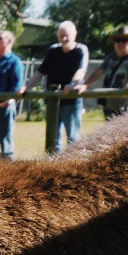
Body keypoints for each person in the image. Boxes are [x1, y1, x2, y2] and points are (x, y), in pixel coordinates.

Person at [38, 20, 89, 154]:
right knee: (54, 140)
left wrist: (72, 84)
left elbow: (81, 70)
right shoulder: (53, 50)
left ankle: (74, 167)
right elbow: (40, 71)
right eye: (61, 36)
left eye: (67, 35)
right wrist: (26, 87)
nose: (64, 39)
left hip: (71, 101)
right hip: (53, 102)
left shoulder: (80, 50)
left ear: (75, 35)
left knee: (73, 139)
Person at [98, 26, 128, 119]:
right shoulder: (110, 57)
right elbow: (98, 72)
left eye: (124, 40)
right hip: (111, 108)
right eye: (117, 40)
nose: (120, 43)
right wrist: (84, 84)